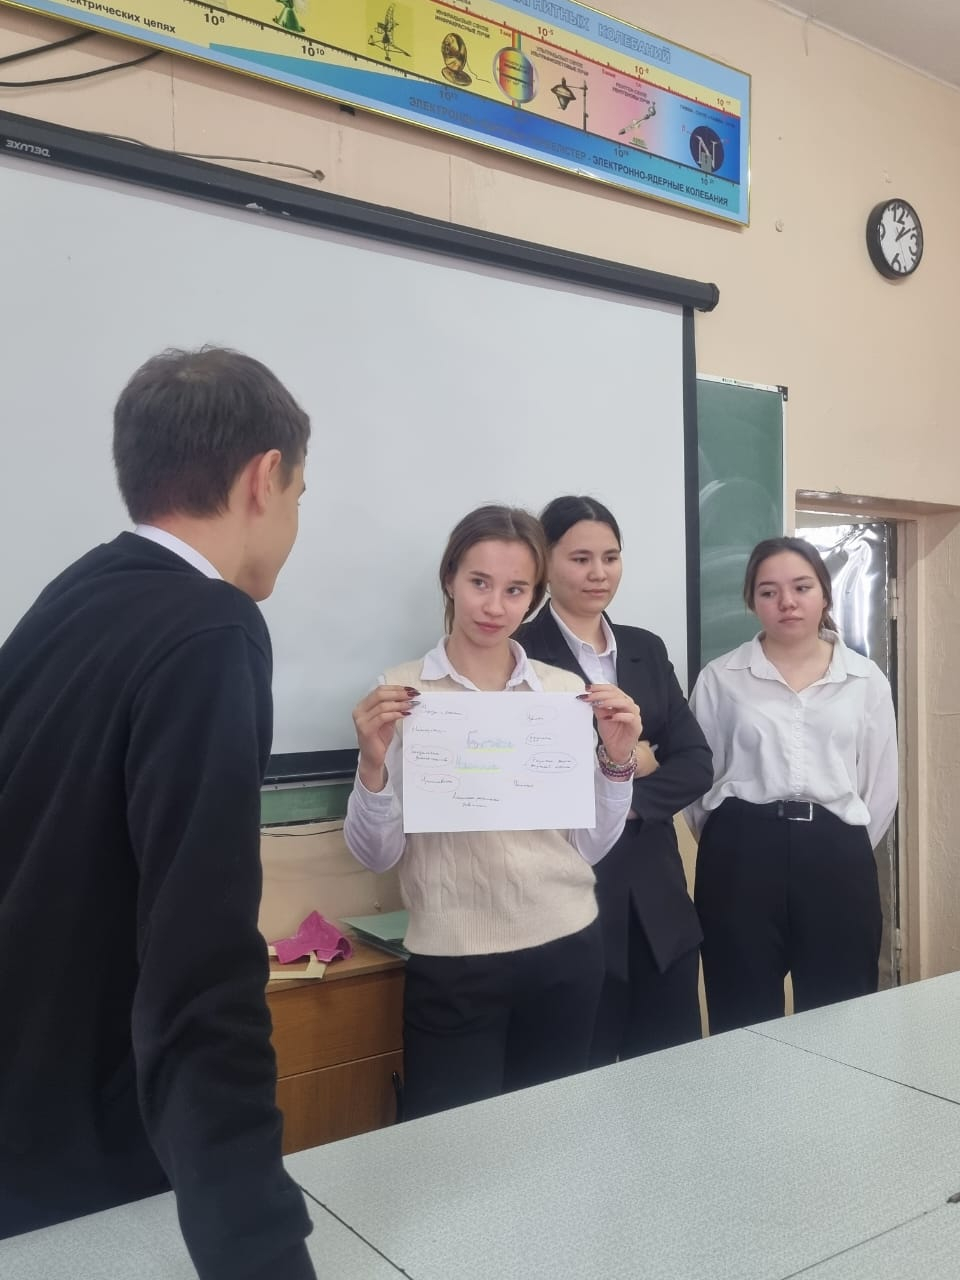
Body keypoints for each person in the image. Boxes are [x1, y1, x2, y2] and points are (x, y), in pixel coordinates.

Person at [0, 348, 317, 1280]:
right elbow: (200, 969)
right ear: (264, 477)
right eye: (301, 494)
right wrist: (261, 1250)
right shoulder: (211, 626)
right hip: (87, 1138)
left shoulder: (75, 594)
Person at [343, 504, 641, 1119]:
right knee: (453, 1150)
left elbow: (586, 847)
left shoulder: (563, 694)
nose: (494, 606)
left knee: (551, 1136)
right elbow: (376, 854)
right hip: (454, 961)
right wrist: (373, 764)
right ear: (450, 578)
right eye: (480, 582)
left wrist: (616, 762)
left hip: (566, 947)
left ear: (533, 597)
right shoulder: (403, 692)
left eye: (515, 590)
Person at [518, 496, 712, 1062]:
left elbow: (696, 762)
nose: (598, 573)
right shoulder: (519, 653)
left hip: (659, 909)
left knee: (672, 1082)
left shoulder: (645, 647)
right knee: (580, 1081)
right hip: (571, 904)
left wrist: (619, 795)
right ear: (545, 562)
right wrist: (637, 759)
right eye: (580, 558)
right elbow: (530, 777)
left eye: (611, 556)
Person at [685, 536, 898, 1034]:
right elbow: (699, 781)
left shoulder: (865, 679)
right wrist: (736, 839)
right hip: (739, 858)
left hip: (835, 860)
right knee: (741, 1015)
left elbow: (880, 786)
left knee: (841, 1016)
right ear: (752, 601)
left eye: (801, 587)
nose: (786, 602)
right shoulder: (721, 678)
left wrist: (832, 842)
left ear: (824, 594)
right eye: (768, 591)